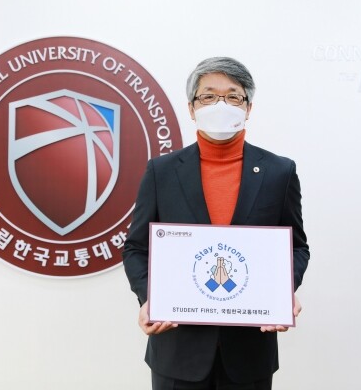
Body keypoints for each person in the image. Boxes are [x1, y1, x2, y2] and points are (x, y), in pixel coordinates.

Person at [122, 57, 310, 390]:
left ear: (248, 108)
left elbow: (296, 246)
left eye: (233, 96)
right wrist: (150, 297)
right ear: (192, 108)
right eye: (208, 96)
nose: (220, 105)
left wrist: (284, 288)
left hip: (249, 350)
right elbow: (137, 248)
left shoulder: (279, 172)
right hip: (178, 347)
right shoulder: (161, 172)